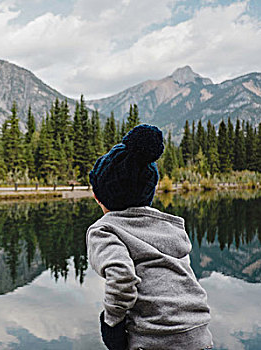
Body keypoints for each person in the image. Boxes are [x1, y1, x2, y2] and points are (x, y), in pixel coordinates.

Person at [86, 124, 213, 350]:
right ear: (151, 191)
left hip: (154, 339)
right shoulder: (171, 226)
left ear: (97, 195)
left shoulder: (104, 230)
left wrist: (112, 323)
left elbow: (122, 277)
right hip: (199, 334)